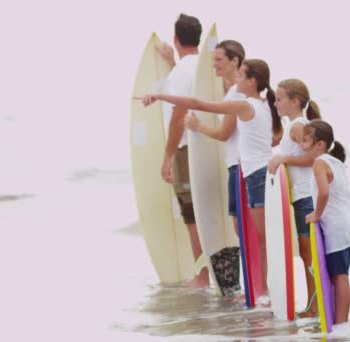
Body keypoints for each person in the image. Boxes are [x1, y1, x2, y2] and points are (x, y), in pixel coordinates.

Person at [143, 58, 283, 302]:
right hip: (259, 175)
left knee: (260, 238)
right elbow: (275, 138)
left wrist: (161, 97)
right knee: (257, 237)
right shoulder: (263, 104)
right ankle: (261, 291)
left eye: (241, 75)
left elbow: (198, 103)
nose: (236, 79)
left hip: (258, 177)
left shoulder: (245, 105)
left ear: (252, 82)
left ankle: (266, 292)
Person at [183, 39, 246, 293]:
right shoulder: (232, 90)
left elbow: (224, 133)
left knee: (241, 228)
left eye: (219, 59)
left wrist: (198, 127)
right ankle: (248, 287)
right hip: (236, 165)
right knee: (238, 227)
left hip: (239, 167)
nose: (214, 65)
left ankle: (253, 288)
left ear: (235, 61)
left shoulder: (237, 94)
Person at [156, 13, 209, 287]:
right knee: (210, 209)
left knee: (192, 213)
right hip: (211, 146)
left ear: (176, 38)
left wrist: (167, 156)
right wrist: (171, 62)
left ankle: (202, 275)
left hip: (187, 150)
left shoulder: (180, 73)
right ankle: (212, 270)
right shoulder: (207, 65)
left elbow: (179, 116)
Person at [303, 119, 350, 326]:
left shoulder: (320, 162)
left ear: (319, 144)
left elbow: (324, 192)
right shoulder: (335, 162)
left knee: (339, 276)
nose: (302, 146)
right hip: (346, 227)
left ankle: (340, 323)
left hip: (337, 229)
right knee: (340, 275)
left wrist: (316, 214)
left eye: (305, 141)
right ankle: (341, 322)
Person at [268, 79, 321, 317]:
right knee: (307, 253)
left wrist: (284, 159)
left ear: (294, 101)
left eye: (279, 99)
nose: (276, 103)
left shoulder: (298, 125)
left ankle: (315, 306)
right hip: (301, 198)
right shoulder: (295, 126)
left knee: (309, 254)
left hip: (305, 198)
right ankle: (314, 304)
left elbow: (315, 157)